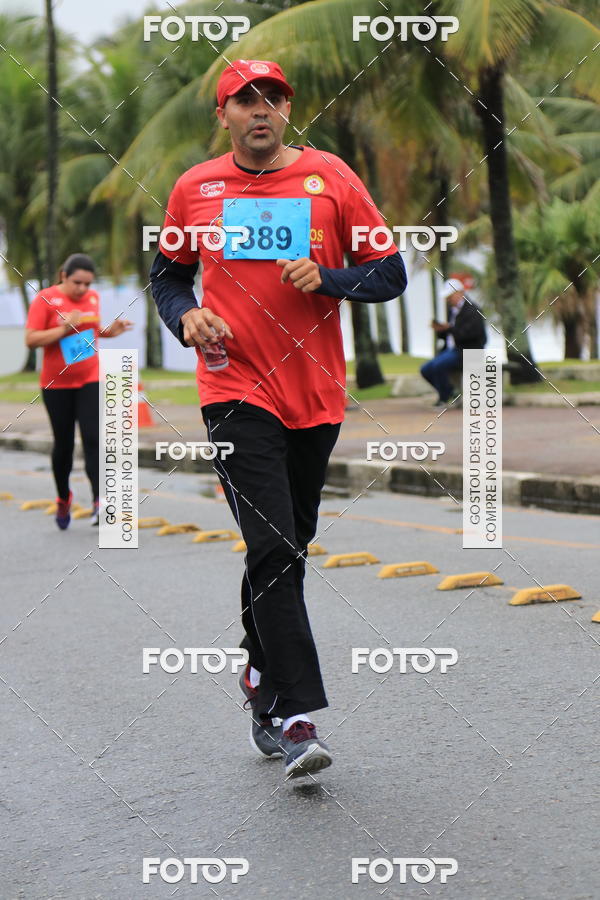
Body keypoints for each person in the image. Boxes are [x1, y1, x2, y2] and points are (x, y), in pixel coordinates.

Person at [150, 59, 407, 779]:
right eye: (245, 100)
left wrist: (328, 278)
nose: (260, 110)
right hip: (233, 389)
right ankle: (297, 717)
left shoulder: (332, 179)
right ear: (222, 114)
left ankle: (259, 677)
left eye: (273, 98)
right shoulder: (194, 188)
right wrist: (186, 315)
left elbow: (390, 274)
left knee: (284, 548)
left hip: (315, 395)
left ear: (287, 110)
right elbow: (167, 275)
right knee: (272, 545)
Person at [25, 253, 133, 529]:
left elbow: (92, 330)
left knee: (94, 437)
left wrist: (111, 331)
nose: (83, 289)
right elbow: (31, 339)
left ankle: (100, 501)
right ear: (63, 275)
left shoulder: (93, 298)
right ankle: (63, 497)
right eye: (77, 283)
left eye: (87, 283)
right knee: (64, 445)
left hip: (90, 377)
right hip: (56, 383)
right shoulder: (45, 299)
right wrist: (62, 328)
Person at [420, 276, 487, 406]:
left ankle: (443, 398)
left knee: (438, 366)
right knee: (426, 369)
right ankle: (450, 391)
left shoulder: (473, 310)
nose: (449, 300)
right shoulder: (453, 311)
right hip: (453, 350)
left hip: (468, 351)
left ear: (460, 293)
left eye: (450, 296)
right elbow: (451, 335)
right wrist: (441, 330)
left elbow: (470, 335)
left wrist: (449, 328)